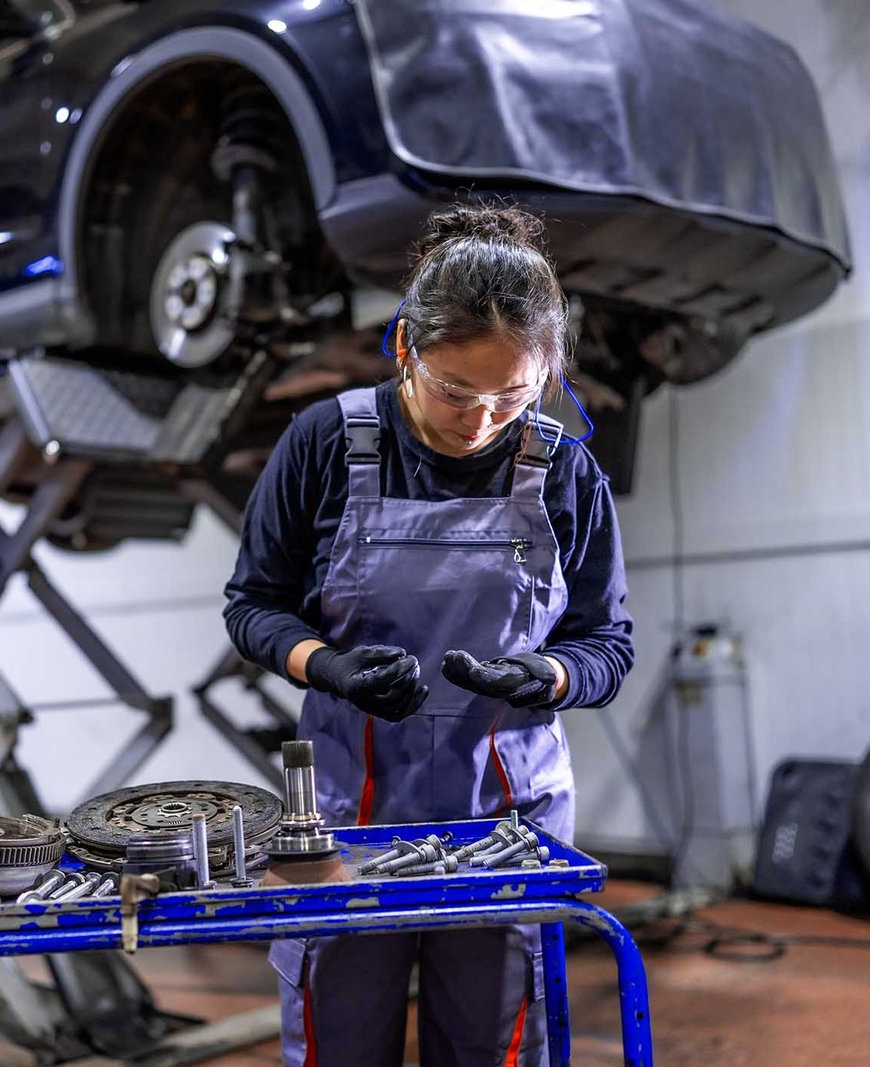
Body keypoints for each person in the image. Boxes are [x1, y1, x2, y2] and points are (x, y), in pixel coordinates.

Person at [222, 201, 634, 1066]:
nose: (480, 422)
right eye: (455, 391)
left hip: (506, 827)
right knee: (343, 1040)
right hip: (347, 824)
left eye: (511, 397)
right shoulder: (325, 443)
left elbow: (607, 641)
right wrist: (326, 665)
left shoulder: (565, 469)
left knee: (490, 1043)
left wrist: (549, 677)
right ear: (405, 345)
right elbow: (254, 605)